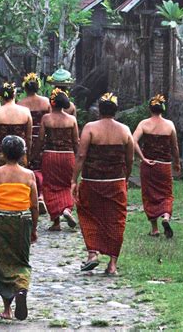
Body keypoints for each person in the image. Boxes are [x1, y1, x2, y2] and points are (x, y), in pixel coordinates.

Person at [71, 93, 134, 275]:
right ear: (116, 110)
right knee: (116, 219)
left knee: (88, 214)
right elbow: (129, 160)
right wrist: (125, 178)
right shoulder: (125, 130)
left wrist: (74, 180)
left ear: (99, 110)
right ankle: (112, 264)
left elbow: (81, 156)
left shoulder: (90, 128)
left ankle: (92, 254)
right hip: (116, 181)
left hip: (92, 181)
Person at [0, 135, 38, 321]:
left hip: (1, 220)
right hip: (23, 220)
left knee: (1, 263)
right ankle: (22, 288)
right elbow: (35, 205)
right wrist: (34, 228)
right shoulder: (29, 175)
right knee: (21, 260)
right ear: (23, 154)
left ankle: (7, 309)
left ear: (3, 154)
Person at [133, 95, 180, 238]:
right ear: (163, 109)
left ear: (150, 108)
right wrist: (177, 162)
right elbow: (175, 147)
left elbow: (133, 141)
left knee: (149, 194)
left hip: (148, 165)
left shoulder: (144, 124)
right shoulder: (170, 125)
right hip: (164, 165)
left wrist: (142, 158)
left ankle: (154, 229)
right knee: (166, 194)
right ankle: (166, 216)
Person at [36, 88, 79, 231]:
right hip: (68, 156)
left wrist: (34, 155)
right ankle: (67, 209)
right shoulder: (72, 120)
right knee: (67, 185)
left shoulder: (46, 119)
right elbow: (75, 142)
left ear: (51, 103)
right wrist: (79, 159)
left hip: (50, 156)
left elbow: (41, 140)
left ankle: (56, 221)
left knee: (49, 186)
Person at [18, 73, 51, 213]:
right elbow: (50, 118)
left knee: (29, 167)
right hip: (43, 137)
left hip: (27, 137)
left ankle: (32, 195)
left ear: (25, 88)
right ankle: (41, 195)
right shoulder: (46, 102)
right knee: (42, 168)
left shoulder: (21, 104)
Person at [0, 83, 33, 173]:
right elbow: (29, 137)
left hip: (0, 154)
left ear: (1, 97)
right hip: (19, 154)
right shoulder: (25, 111)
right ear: (14, 95)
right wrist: (28, 154)